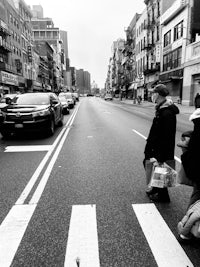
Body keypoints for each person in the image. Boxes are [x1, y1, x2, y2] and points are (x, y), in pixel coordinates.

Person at [144, 84, 179, 202]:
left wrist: (160, 153)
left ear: (158, 95)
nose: (151, 95)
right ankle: (155, 189)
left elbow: (166, 135)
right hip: (156, 145)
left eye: (153, 93)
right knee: (154, 165)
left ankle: (163, 196)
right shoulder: (161, 108)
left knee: (161, 168)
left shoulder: (166, 112)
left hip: (161, 148)